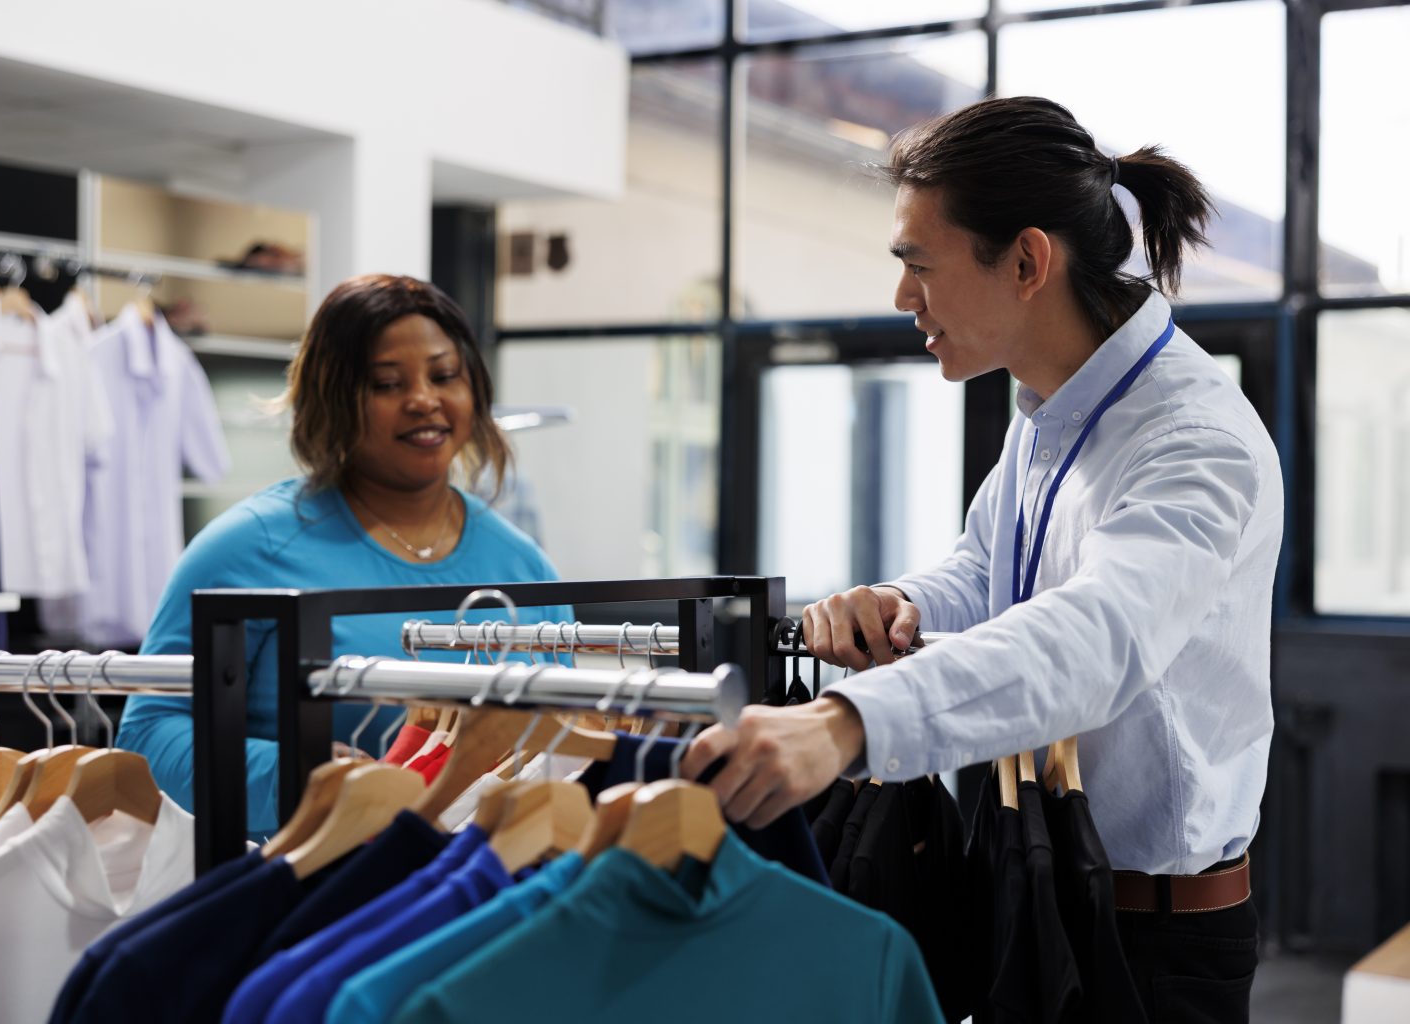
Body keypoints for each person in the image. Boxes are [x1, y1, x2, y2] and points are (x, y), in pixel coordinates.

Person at [682, 97, 1282, 1018]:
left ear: (1029, 261)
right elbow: (986, 573)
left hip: (1150, 941)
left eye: (919, 265)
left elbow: (1094, 641)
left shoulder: (1195, 439)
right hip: (1036, 885)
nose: (901, 298)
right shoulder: (1047, 409)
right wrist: (901, 604)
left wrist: (848, 721)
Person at [119, 274, 572, 839]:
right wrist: (307, 775)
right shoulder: (247, 547)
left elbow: (564, 744)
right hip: (302, 894)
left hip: (486, 894)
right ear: (332, 399)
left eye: (444, 375)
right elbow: (149, 735)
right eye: (386, 383)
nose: (423, 400)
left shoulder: (523, 566)